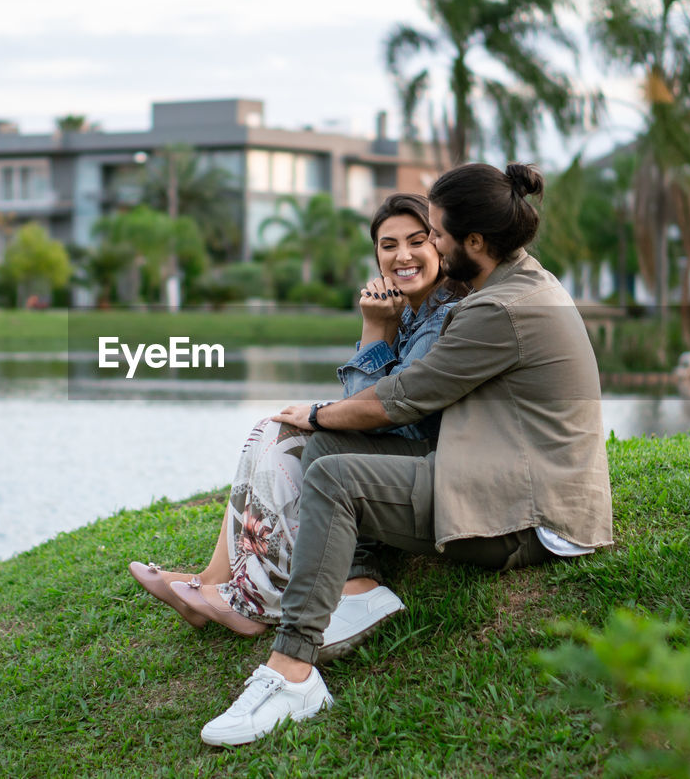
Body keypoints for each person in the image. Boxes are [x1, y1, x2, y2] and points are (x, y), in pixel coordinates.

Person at [197, 162, 614, 747]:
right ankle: (361, 585)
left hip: (531, 514)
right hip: (493, 471)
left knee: (336, 474)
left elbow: (400, 400)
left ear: (474, 242)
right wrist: (324, 424)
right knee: (325, 448)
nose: (429, 246)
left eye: (436, 235)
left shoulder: (498, 311)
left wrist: (316, 411)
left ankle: (292, 673)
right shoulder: (510, 284)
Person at [129, 193, 466, 642]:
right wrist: (382, 326)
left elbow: (382, 416)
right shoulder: (406, 312)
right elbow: (366, 406)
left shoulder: (445, 317)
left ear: (440, 245)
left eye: (417, 241)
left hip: (419, 463)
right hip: (394, 445)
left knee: (289, 437)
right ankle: (213, 580)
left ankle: (255, 602)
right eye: (388, 245)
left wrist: (371, 331)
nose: (402, 256)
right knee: (268, 428)